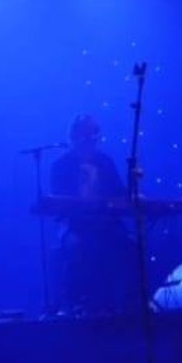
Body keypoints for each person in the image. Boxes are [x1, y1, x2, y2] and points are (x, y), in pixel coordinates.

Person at [49, 113, 137, 316]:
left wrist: (132, 195)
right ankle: (78, 303)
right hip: (73, 225)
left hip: (105, 224)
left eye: (94, 133)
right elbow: (58, 203)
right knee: (80, 246)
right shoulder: (60, 165)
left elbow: (119, 192)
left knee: (129, 245)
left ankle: (128, 305)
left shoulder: (105, 162)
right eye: (86, 133)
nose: (91, 138)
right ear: (74, 136)